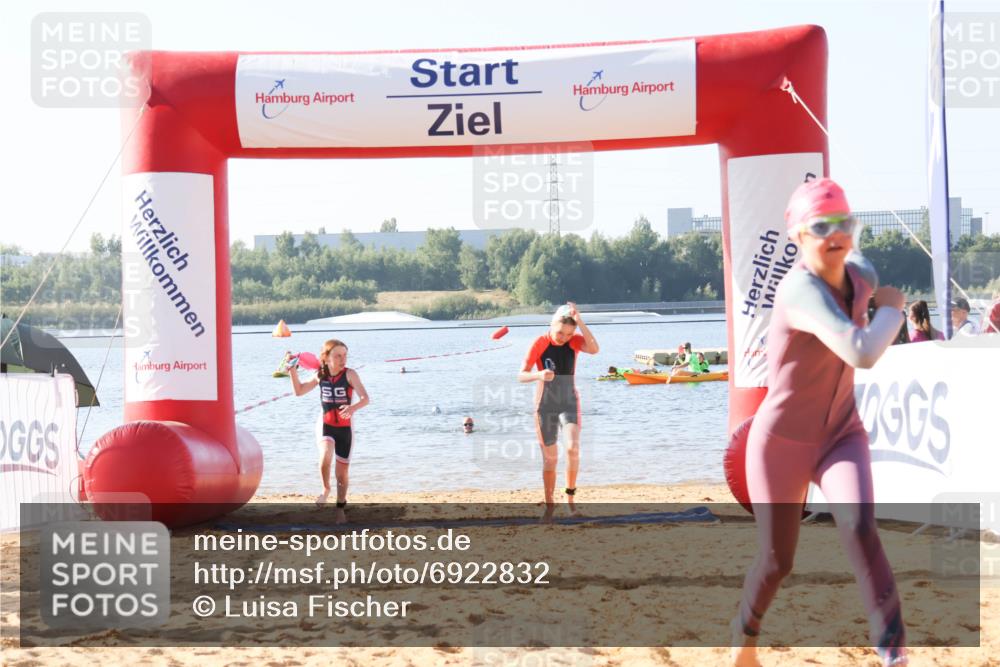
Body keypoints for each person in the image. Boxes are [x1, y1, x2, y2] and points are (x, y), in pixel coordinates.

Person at [732, 178, 908, 667]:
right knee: (776, 562)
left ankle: (894, 656)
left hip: (840, 433)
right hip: (781, 442)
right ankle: (744, 638)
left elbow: (864, 301)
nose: (836, 235)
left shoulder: (862, 272)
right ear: (797, 238)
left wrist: (879, 302)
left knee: (860, 527)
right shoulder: (798, 291)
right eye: (821, 226)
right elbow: (862, 351)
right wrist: (892, 310)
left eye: (845, 224)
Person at [518, 302, 599, 519]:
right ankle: (550, 504)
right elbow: (521, 375)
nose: (564, 337)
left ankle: (570, 501)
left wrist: (580, 321)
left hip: (569, 402)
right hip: (545, 406)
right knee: (551, 460)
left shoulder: (573, 342)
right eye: (560, 332)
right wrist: (538, 375)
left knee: (572, 449)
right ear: (552, 324)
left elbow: (594, 349)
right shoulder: (540, 342)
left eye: (569, 333)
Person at [289, 339, 370, 523]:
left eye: (345, 355)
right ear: (326, 358)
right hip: (326, 425)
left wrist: (352, 408)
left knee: (341, 474)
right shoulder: (321, 375)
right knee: (325, 455)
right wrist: (292, 370)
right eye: (338, 356)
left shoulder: (350, 375)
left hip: (345, 429)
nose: (343, 359)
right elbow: (299, 391)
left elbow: (366, 398)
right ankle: (325, 489)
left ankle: (340, 508)